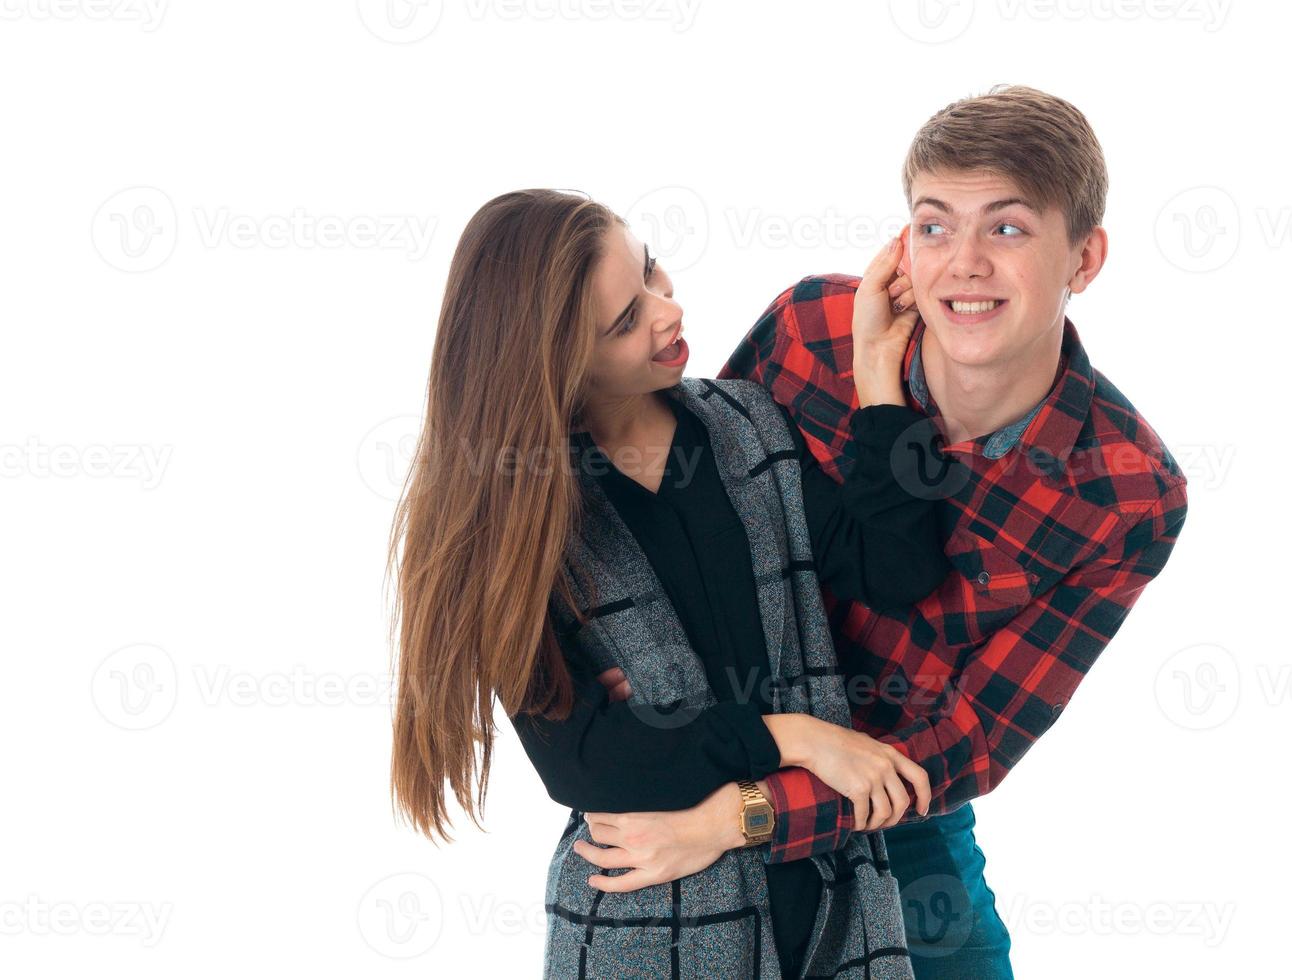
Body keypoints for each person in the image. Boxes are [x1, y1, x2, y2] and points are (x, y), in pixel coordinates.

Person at [575, 84, 1191, 979]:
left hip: (895, 809)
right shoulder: (810, 330)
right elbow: (680, 497)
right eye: (935, 226)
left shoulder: (1129, 493)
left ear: (1084, 258)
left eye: (1009, 230)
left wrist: (745, 815)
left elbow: (976, 736)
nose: (964, 264)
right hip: (708, 763)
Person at [388, 188, 953, 977]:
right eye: (624, 322)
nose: (666, 312)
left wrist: (875, 372)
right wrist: (799, 736)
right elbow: (586, 760)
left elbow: (895, 570)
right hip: (654, 926)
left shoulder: (746, 423)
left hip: (837, 902)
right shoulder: (522, 523)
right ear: (553, 364)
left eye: (651, 271)